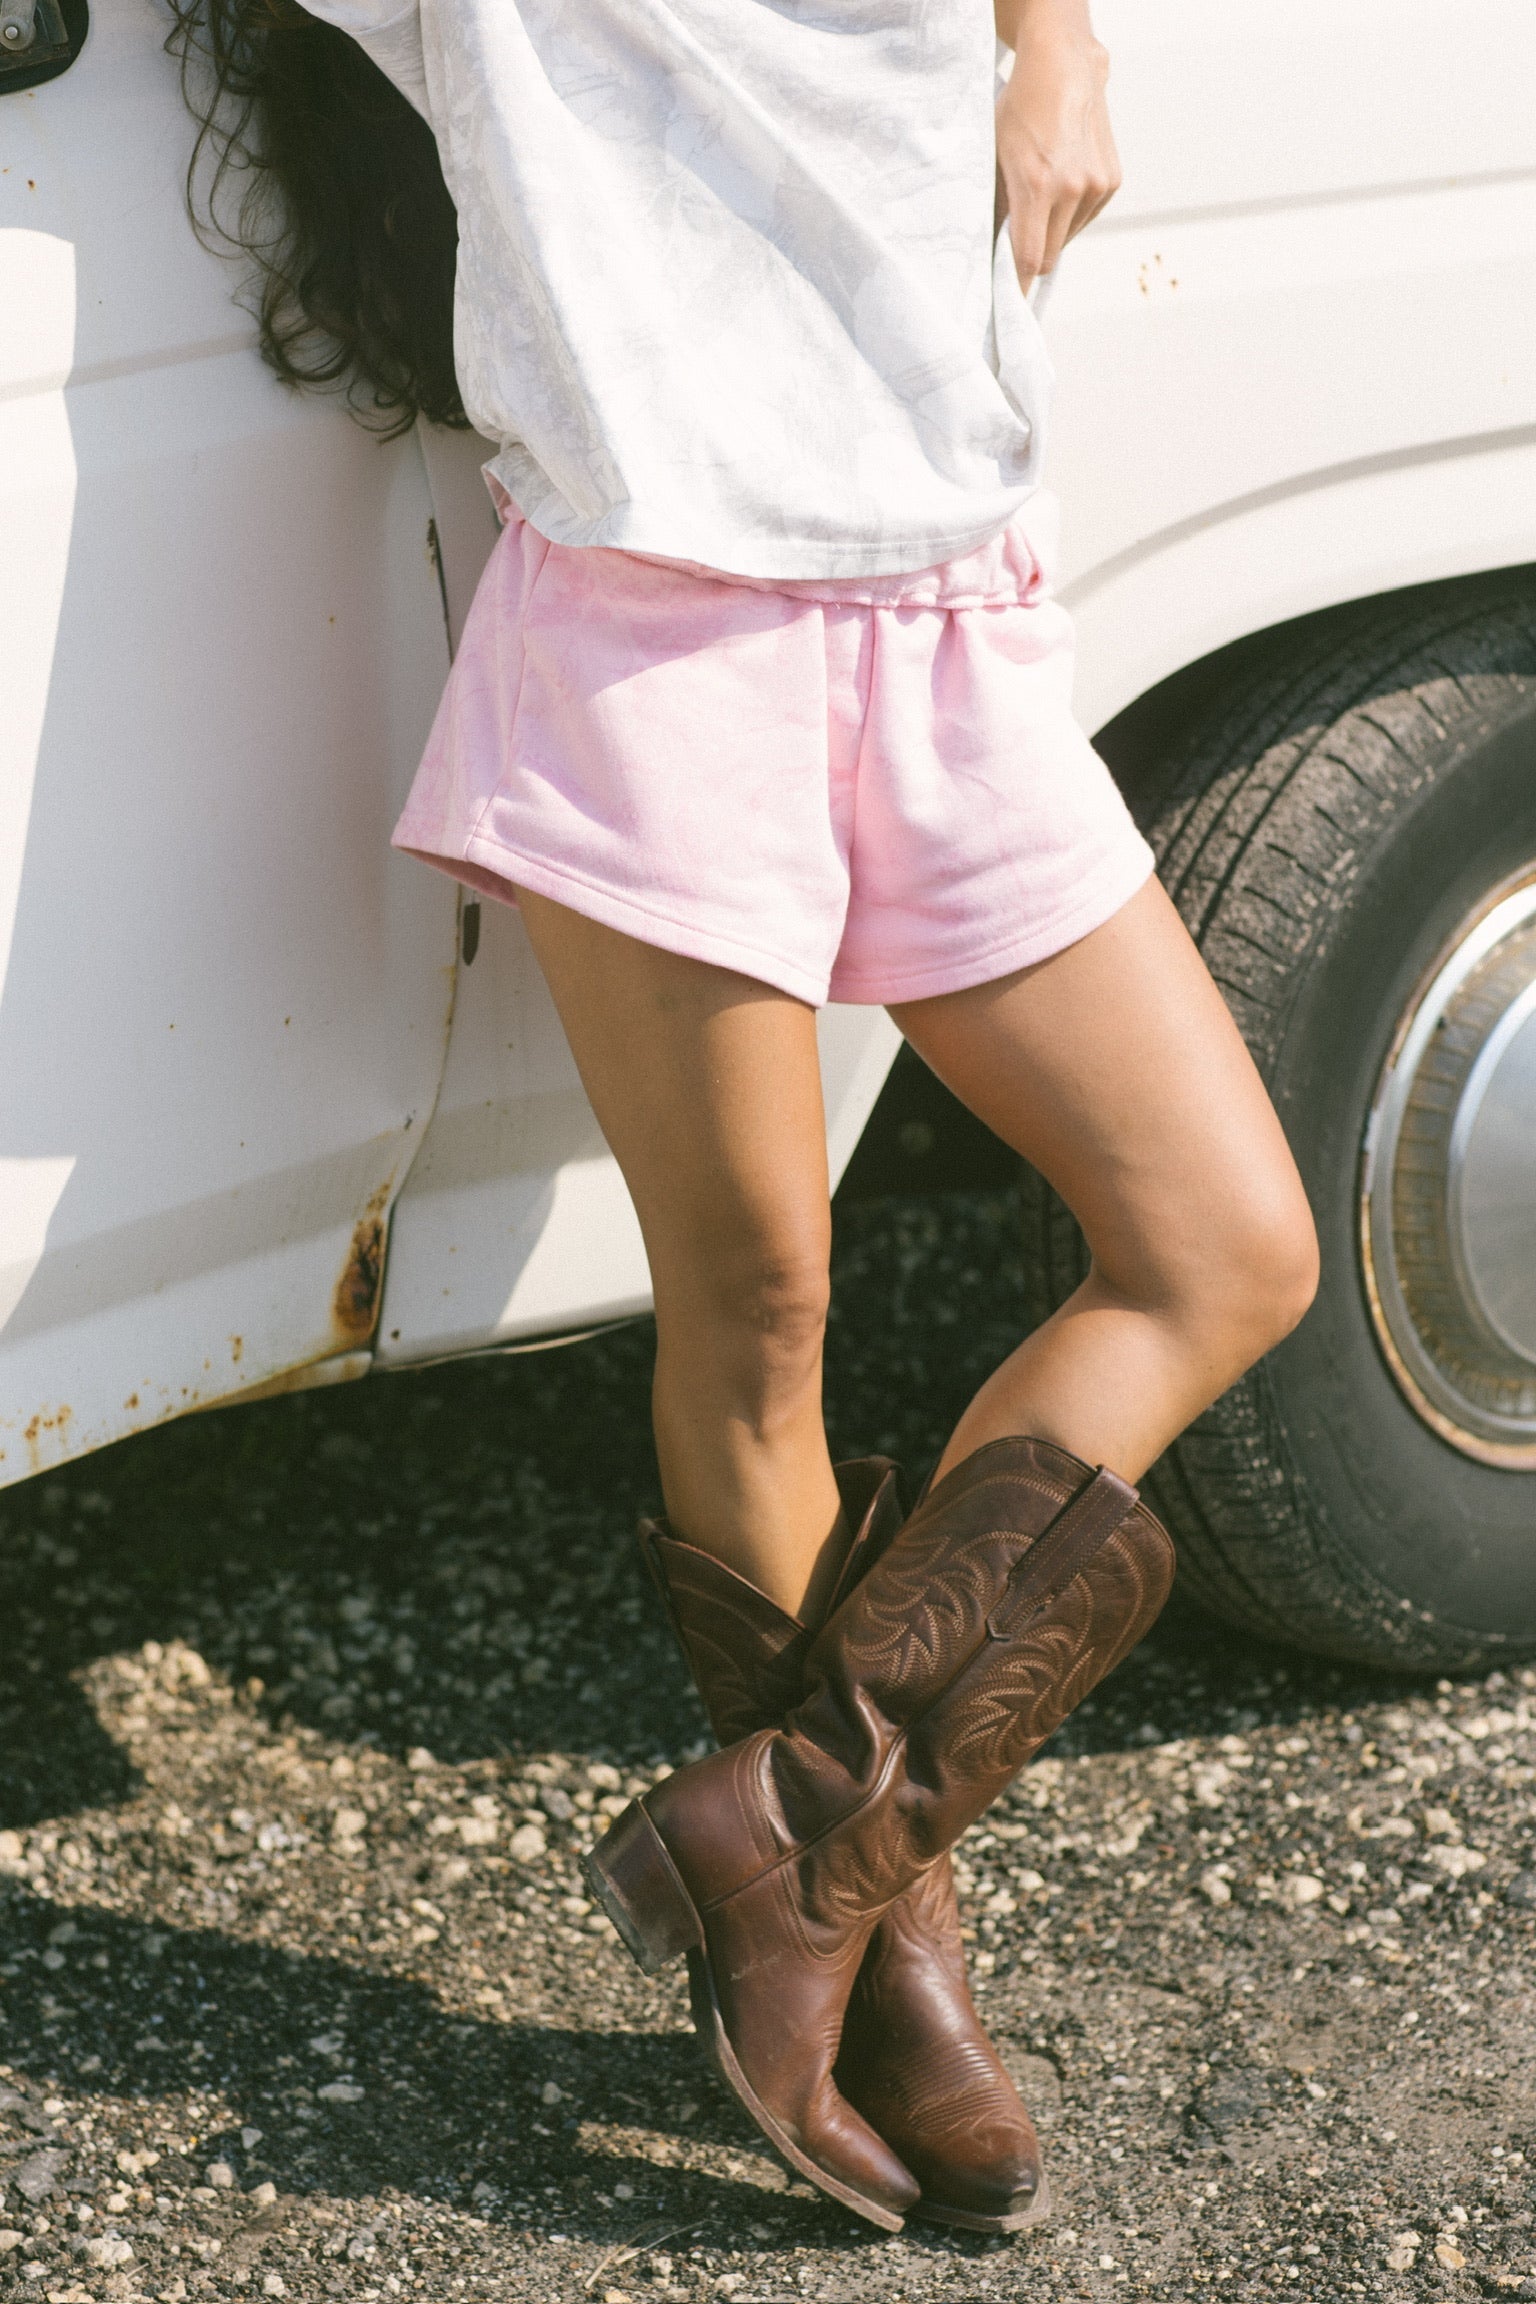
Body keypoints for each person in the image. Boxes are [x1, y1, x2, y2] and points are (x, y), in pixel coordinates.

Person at [174, 0, 1319, 2236]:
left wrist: (1057, 36)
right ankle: (888, 1935)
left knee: (1229, 1242)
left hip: (950, 599)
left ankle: (792, 1838)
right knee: (764, 1297)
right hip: (657, 627)